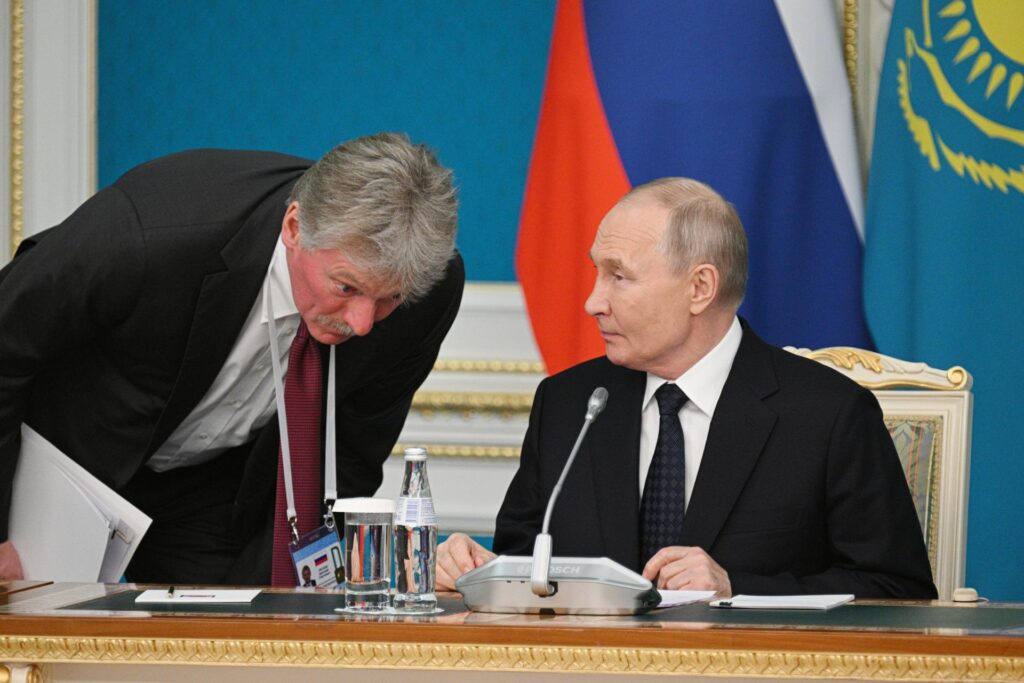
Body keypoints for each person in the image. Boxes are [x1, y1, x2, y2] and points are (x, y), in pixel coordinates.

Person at [0, 132, 464, 585]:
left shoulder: (429, 293)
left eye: (389, 299)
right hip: (59, 461)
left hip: (210, 491)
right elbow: (7, 339)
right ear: (294, 228)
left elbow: (352, 452)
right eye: (346, 287)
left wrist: (284, 591)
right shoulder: (155, 231)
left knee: (243, 627)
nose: (362, 323)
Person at [438, 178, 936, 599]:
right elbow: (525, 559)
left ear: (700, 288)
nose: (593, 302)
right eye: (597, 273)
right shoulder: (570, 404)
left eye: (618, 277)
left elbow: (898, 590)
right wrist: (478, 570)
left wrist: (735, 587)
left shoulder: (828, 415)